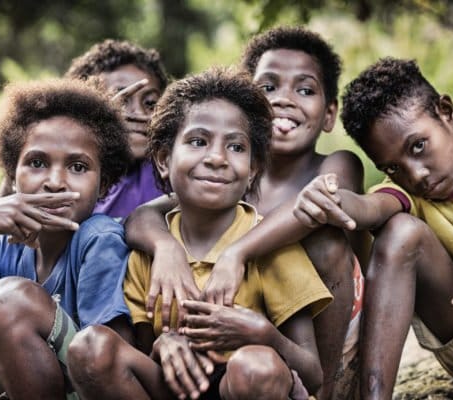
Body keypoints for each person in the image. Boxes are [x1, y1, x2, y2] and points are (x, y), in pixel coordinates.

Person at [124, 26, 369, 399]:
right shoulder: (218, 181)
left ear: (328, 113)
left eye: (304, 89)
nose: (284, 100)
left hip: (317, 333)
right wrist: (165, 247)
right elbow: (146, 214)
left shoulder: (333, 164)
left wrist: (236, 253)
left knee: (325, 242)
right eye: (269, 88)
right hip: (232, 360)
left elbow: (308, 210)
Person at [292, 57, 453, 399]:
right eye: (392, 167)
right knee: (401, 232)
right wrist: (327, 198)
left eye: (418, 146)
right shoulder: (412, 195)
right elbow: (371, 207)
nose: (415, 174)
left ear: (446, 112)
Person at [66, 67, 333, 400]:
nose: (217, 158)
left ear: (251, 171)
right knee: (91, 346)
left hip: (245, 387)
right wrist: (165, 343)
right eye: (198, 141)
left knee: (256, 366)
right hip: (175, 390)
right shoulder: (148, 255)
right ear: (163, 160)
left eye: (236, 147)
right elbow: (143, 356)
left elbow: (313, 374)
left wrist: (264, 335)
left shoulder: (270, 246)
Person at [0, 78, 134, 399]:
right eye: (37, 163)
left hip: (91, 387)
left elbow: (108, 358)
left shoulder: (99, 238)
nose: (55, 182)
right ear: (12, 178)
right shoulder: (6, 249)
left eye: (78, 166)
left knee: (9, 300)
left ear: (105, 185)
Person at [0, 39, 169, 222]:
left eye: (150, 103)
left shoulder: (170, 169)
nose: (139, 113)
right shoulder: (68, 179)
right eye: (120, 103)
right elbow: (6, 227)